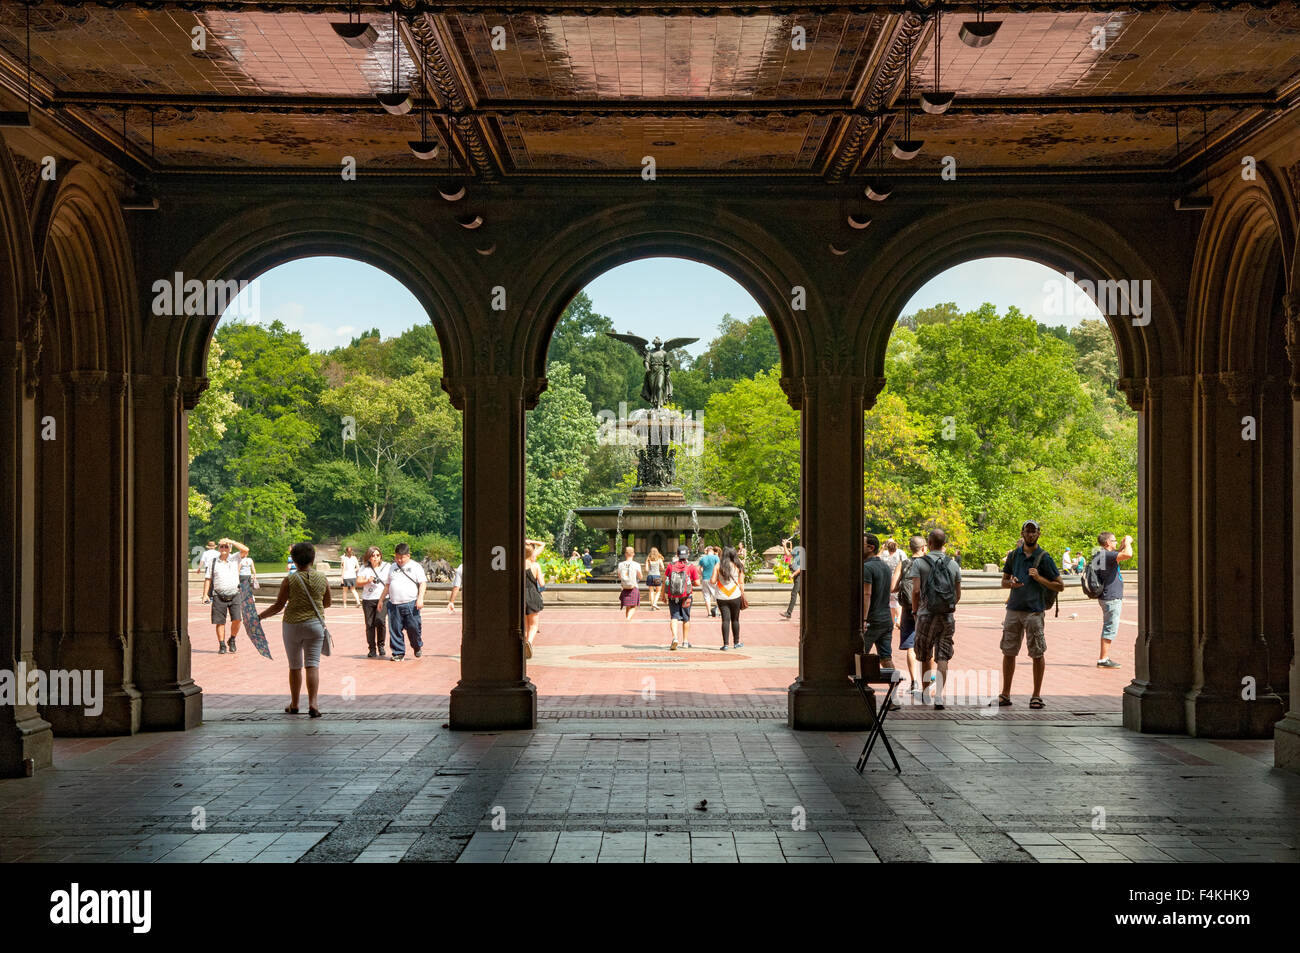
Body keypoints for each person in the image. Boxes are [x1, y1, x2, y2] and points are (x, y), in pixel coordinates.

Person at [997, 520, 1064, 709]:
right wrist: (1011, 583)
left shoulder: (1044, 558)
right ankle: (1005, 693)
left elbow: (1060, 585)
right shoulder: (1014, 556)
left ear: (1039, 534)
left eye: (1034, 532)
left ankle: (1036, 695)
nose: (1030, 535)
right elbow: (1003, 581)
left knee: (1037, 652)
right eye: (1028, 531)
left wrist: (1039, 578)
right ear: (1022, 533)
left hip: (1034, 611)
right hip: (1013, 609)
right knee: (1008, 651)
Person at [259, 541, 330, 718]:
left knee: (295, 666)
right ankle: (313, 703)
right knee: (312, 665)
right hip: (315, 625)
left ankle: (295, 703)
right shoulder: (322, 578)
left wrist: (260, 617)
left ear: (294, 560)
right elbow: (327, 602)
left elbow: (278, 606)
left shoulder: (289, 580)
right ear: (313, 559)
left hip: (292, 625)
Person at [908, 528, 962, 710]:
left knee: (924, 654)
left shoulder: (920, 563)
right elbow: (957, 594)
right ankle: (938, 695)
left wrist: (915, 611)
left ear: (929, 544)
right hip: (947, 616)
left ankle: (925, 694)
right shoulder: (953, 565)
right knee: (943, 656)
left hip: (925, 614)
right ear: (944, 544)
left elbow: (915, 591)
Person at [1092, 532, 1133, 668]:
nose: (1116, 543)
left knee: (1108, 626)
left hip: (1105, 596)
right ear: (1108, 543)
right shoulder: (1107, 555)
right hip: (1111, 597)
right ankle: (1103, 659)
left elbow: (1116, 556)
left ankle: (1104, 658)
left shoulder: (1101, 555)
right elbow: (1128, 555)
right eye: (1114, 541)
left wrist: (1121, 546)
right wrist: (1127, 542)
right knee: (1110, 628)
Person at [381, 542, 427, 661]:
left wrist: (420, 598)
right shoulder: (392, 567)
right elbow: (387, 584)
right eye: (397, 557)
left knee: (414, 628)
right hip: (394, 604)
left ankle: (417, 646)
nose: (399, 560)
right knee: (395, 629)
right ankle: (398, 652)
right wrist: (381, 600)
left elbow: (422, 583)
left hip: (411, 603)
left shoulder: (416, 566)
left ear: (408, 556)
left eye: (402, 557)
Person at [861, 535, 896, 691]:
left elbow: (866, 594)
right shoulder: (885, 567)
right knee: (886, 657)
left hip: (872, 620)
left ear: (871, 548)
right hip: (886, 619)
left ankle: (862, 691)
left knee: (861, 656)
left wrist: (864, 619)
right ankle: (894, 695)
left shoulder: (866, 568)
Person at [204, 538, 248, 654]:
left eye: (226, 546)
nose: (224, 548)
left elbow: (246, 549)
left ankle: (232, 639)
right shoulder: (213, 561)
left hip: (234, 594)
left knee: (237, 620)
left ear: (230, 549)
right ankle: (222, 644)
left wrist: (231, 541)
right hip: (218, 595)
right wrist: (205, 594)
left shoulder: (235, 558)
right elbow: (208, 578)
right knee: (220, 622)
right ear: (218, 548)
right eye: (222, 546)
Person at [896, 535, 925, 697]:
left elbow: (893, 587)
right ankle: (928, 680)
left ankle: (914, 681)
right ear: (923, 548)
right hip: (925, 608)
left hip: (907, 608)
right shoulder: (928, 563)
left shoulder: (904, 563)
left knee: (910, 645)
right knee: (929, 643)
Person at [664, 545, 701, 650]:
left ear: (677, 554)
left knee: (674, 617)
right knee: (686, 618)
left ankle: (675, 638)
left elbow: (665, 581)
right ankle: (685, 641)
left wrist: (663, 594)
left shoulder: (670, 565)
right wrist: (688, 583)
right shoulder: (691, 566)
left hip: (672, 596)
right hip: (686, 596)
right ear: (688, 554)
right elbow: (698, 583)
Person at [356, 545, 388, 658]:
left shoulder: (386, 566)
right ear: (369, 557)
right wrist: (367, 580)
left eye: (378, 555)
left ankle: (381, 645)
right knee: (369, 624)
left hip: (383, 599)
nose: (375, 557)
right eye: (373, 555)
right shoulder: (364, 568)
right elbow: (358, 582)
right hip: (368, 599)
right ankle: (372, 648)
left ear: (381, 556)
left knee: (380, 620)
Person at [714, 546, 745, 650]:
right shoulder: (738, 566)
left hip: (721, 596)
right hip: (735, 595)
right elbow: (741, 583)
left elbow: (712, 581)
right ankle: (736, 643)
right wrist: (742, 594)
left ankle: (726, 644)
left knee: (725, 620)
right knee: (735, 620)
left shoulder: (718, 566)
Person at [524, 540, 546, 657]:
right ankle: (529, 643)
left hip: (521, 596)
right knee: (533, 625)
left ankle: (524, 644)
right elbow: (542, 584)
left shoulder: (517, 565)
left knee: (525, 624)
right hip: (533, 595)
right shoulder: (535, 565)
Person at [880, 538, 904, 631]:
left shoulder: (884, 554)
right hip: (897, 579)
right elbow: (905, 564)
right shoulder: (900, 553)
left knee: (891, 602)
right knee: (897, 601)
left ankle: (893, 622)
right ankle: (898, 619)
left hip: (886, 580)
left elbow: (877, 559)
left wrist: (882, 549)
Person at [779, 538, 802, 620]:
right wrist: (784, 545)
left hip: (799, 576)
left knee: (794, 594)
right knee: (802, 596)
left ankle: (789, 613)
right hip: (797, 576)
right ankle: (805, 614)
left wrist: (793, 574)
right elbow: (788, 555)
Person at [616, 546, 642, 620]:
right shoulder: (636, 564)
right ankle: (628, 619)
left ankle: (628, 619)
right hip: (634, 586)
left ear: (625, 554)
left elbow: (619, 576)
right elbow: (640, 577)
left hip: (625, 587)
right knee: (634, 606)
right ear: (633, 554)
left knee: (628, 606)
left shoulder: (620, 564)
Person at [697, 546, 721, 618]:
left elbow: (698, 569)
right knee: (717, 595)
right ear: (712, 551)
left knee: (706, 596)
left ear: (707, 551)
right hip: (713, 579)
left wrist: (702, 574)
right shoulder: (716, 558)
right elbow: (718, 567)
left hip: (705, 579)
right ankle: (718, 612)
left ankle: (709, 613)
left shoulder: (702, 559)